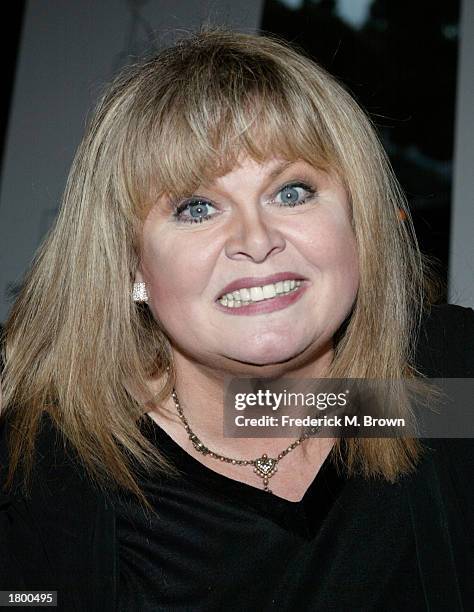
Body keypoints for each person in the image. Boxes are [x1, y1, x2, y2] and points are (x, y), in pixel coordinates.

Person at [0, 27, 473, 611]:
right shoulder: (53, 471)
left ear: (359, 222)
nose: (256, 240)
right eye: (196, 208)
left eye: (292, 193)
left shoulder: (441, 387)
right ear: (130, 267)